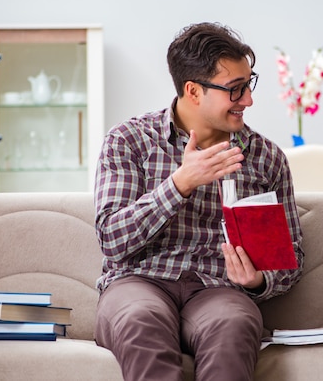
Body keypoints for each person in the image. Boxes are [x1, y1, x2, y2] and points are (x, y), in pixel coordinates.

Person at [93, 22, 304, 381]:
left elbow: (291, 258)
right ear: (193, 91)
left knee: (234, 324)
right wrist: (180, 183)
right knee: (139, 321)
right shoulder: (129, 140)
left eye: (248, 84)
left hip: (218, 289)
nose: (248, 100)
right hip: (138, 282)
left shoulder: (265, 157)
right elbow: (112, 240)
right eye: (235, 90)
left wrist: (257, 281)